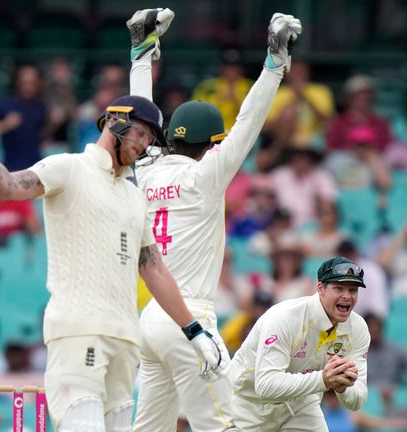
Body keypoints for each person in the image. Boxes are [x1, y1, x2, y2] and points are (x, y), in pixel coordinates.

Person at [0, 9, 224, 429]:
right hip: (79, 332)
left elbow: (153, 270)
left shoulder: (134, 197)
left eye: (150, 140)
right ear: (114, 122)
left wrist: (194, 330)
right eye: (137, 133)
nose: (142, 146)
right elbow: (9, 186)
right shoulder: (68, 168)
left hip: (125, 342)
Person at [127, 10, 302, 431]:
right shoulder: (208, 175)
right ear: (211, 145)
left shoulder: (147, 169)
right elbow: (248, 123)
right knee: (226, 427)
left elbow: (140, 113)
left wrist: (140, 55)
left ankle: (139, 44)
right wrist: (274, 64)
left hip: (150, 319)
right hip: (189, 317)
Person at [227, 257, 371, 431]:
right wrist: (323, 379)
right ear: (320, 289)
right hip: (248, 403)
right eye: (339, 288)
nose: (347, 296)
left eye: (353, 290)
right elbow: (265, 385)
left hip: (301, 403)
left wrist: (343, 387)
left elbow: (357, 400)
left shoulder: (358, 328)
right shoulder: (285, 317)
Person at [259, 58, 334, 171]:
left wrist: (305, 97)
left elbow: (328, 122)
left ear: (308, 72)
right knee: (289, 112)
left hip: (313, 136)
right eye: (293, 71)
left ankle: (274, 154)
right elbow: (267, 127)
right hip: (286, 136)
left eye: (301, 71)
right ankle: (277, 152)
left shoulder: (320, 91)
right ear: (286, 73)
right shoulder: (278, 93)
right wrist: (291, 103)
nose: (297, 75)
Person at [0, 64, 48, 171]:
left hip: (36, 167)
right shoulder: (5, 104)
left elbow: (44, 135)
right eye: (25, 82)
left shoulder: (41, 106)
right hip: (11, 167)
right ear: (18, 82)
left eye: (32, 83)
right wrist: (5, 124)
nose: (28, 86)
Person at [364, 314, 407, 408]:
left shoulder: (397, 350)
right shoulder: (358, 353)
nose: (374, 330)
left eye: (377, 327)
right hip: (367, 399)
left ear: (382, 329)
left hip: (394, 396)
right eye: (370, 327)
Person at [268, 146, 338, 229]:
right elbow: (268, 198)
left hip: (313, 227)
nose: (300, 161)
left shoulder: (322, 176)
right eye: (296, 158)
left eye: (304, 158)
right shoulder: (279, 175)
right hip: (282, 224)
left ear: (311, 159)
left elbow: (329, 202)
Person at [325, 75, 392, 153]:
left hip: (374, 160)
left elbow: (388, 147)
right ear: (349, 97)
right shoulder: (337, 123)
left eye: (367, 95)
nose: (363, 98)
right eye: (358, 95)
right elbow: (330, 150)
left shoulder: (381, 123)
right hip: (344, 161)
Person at [191, 48, 253, 132]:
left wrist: (237, 102)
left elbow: (256, 117)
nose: (231, 71)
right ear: (221, 68)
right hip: (212, 134)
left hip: (243, 133)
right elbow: (196, 114)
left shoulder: (251, 87)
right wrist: (218, 101)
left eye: (234, 67)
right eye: (227, 67)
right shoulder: (206, 87)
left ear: (241, 69)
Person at [336, 240, 388, 319]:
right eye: (343, 255)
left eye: (349, 254)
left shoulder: (373, 271)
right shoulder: (331, 272)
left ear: (356, 253)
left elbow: (378, 308)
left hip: (367, 319)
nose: (346, 259)